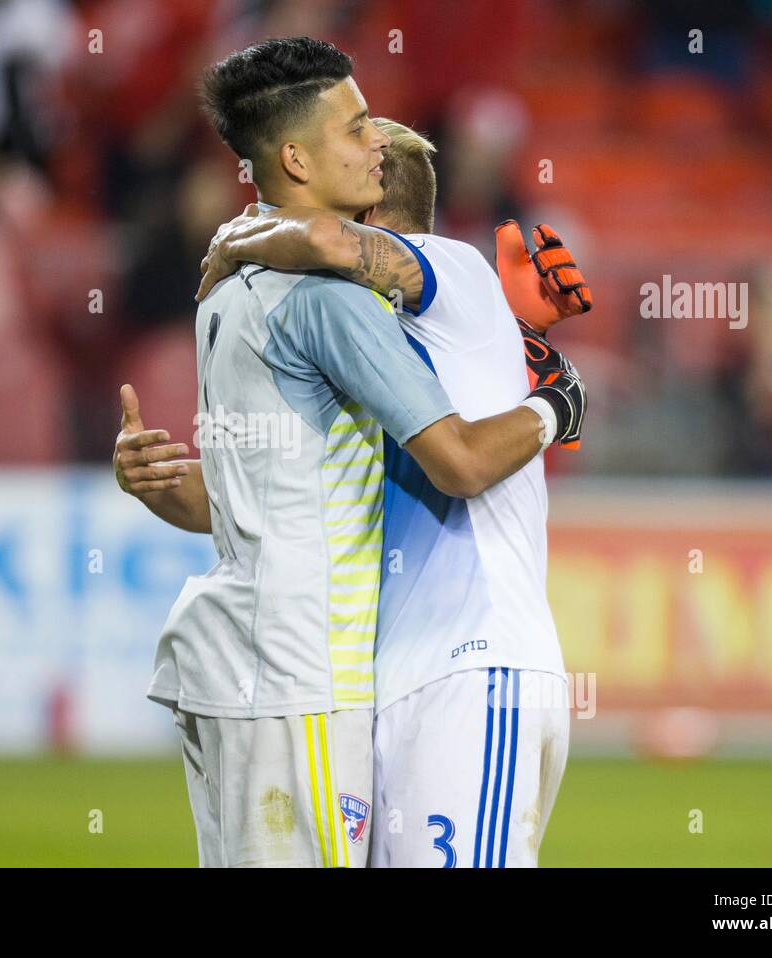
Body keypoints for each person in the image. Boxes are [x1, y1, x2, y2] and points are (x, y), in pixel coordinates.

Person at [112, 38, 586, 868]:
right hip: (332, 677)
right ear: (301, 164)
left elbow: (460, 455)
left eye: (373, 134)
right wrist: (556, 398)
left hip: (457, 668)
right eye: (354, 128)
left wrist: (243, 234)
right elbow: (261, 489)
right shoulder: (330, 316)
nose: (369, 145)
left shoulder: (421, 276)